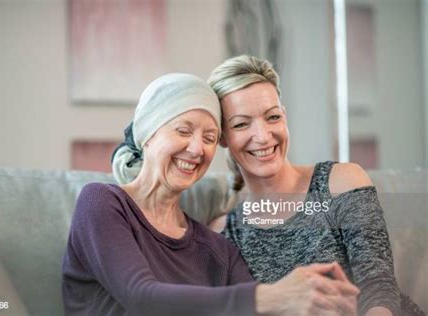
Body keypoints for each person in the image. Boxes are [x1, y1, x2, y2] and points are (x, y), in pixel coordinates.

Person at [61, 73, 359, 316]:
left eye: (209, 138)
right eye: (183, 130)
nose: (196, 148)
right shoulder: (102, 203)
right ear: (147, 135)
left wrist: (319, 300)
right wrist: (273, 296)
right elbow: (142, 298)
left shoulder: (218, 250)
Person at [207, 55, 425, 316]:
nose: (263, 136)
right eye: (241, 124)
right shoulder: (223, 234)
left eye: (272, 117)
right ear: (221, 136)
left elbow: (377, 285)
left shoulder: (340, 182)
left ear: (284, 117)